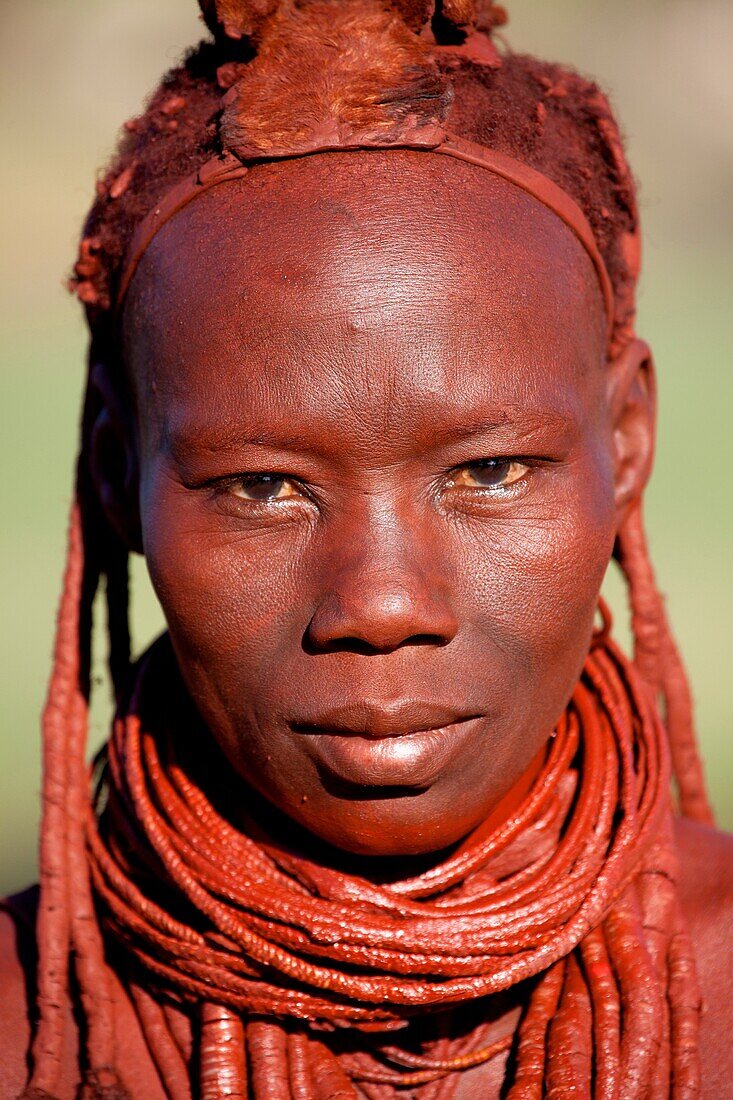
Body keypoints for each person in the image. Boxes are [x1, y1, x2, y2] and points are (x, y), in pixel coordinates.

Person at [1, 0, 732, 1096]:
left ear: (624, 443)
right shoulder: (33, 1024)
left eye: (487, 471)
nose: (384, 603)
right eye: (262, 485)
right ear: (117, 475)